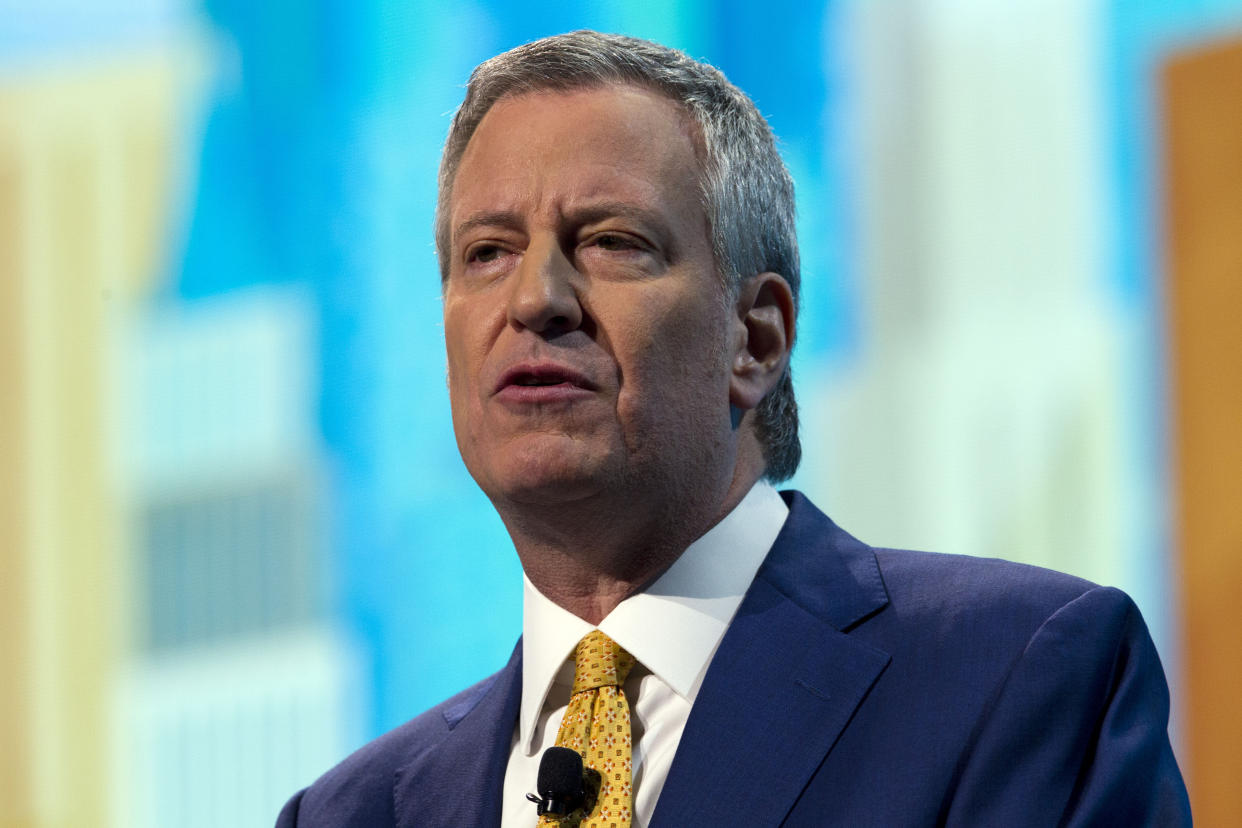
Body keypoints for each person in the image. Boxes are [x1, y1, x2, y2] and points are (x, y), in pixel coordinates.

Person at [276, 31, 1190, 827]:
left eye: (610, 241)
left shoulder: (1015, 678)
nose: (534, 300)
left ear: (756, 338)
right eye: (487, 253)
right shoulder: (353, 813)